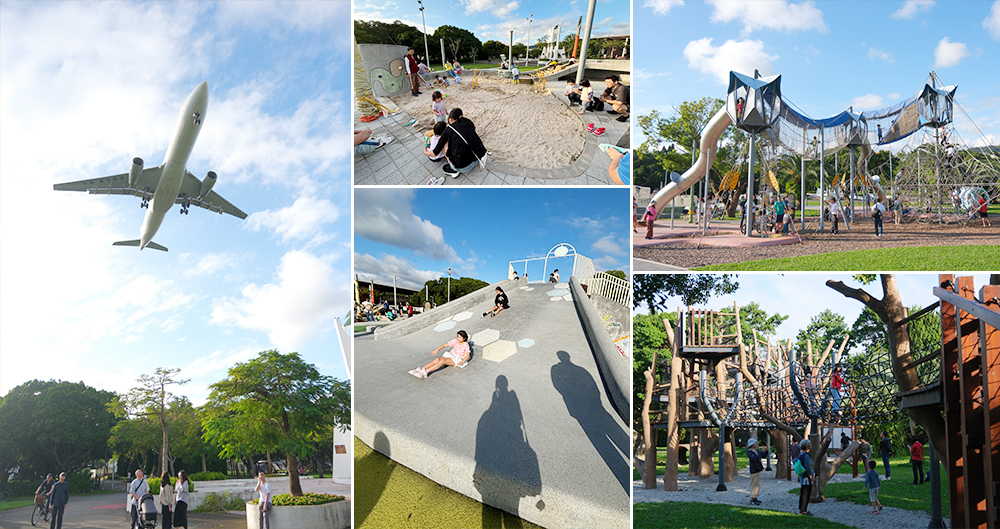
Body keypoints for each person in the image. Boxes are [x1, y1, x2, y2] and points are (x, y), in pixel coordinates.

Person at [433, 108, 488, 178]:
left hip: (462, 167)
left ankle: (453, 169)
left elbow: (435, 152)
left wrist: (425, 151)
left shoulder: (448, 129)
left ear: (450, 119)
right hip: (478, 160)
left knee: (444, 143)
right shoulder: (468, 123)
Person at [796, 439, 815, 516]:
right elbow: (808, 466)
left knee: (803, 492)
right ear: (807, 446)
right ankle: (804, 510)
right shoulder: (806, 455)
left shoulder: (801, 454)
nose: (811, 445)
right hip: (807, 478)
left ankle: (801, 508)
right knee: (806, 494)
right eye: (810, 444)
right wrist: (811, 477)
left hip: (802, 476)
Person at [747, 438, 763, 506]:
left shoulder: (756, 451)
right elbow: (755, 458)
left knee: (757, 484)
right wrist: (761, 453)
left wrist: (765, 452)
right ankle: (752, 498)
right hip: (754, 469)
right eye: (755, 443)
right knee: (753, 484)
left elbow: (761, 455)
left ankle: (755, 496)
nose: (756, 444)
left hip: (758, 469)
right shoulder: (750, 452)